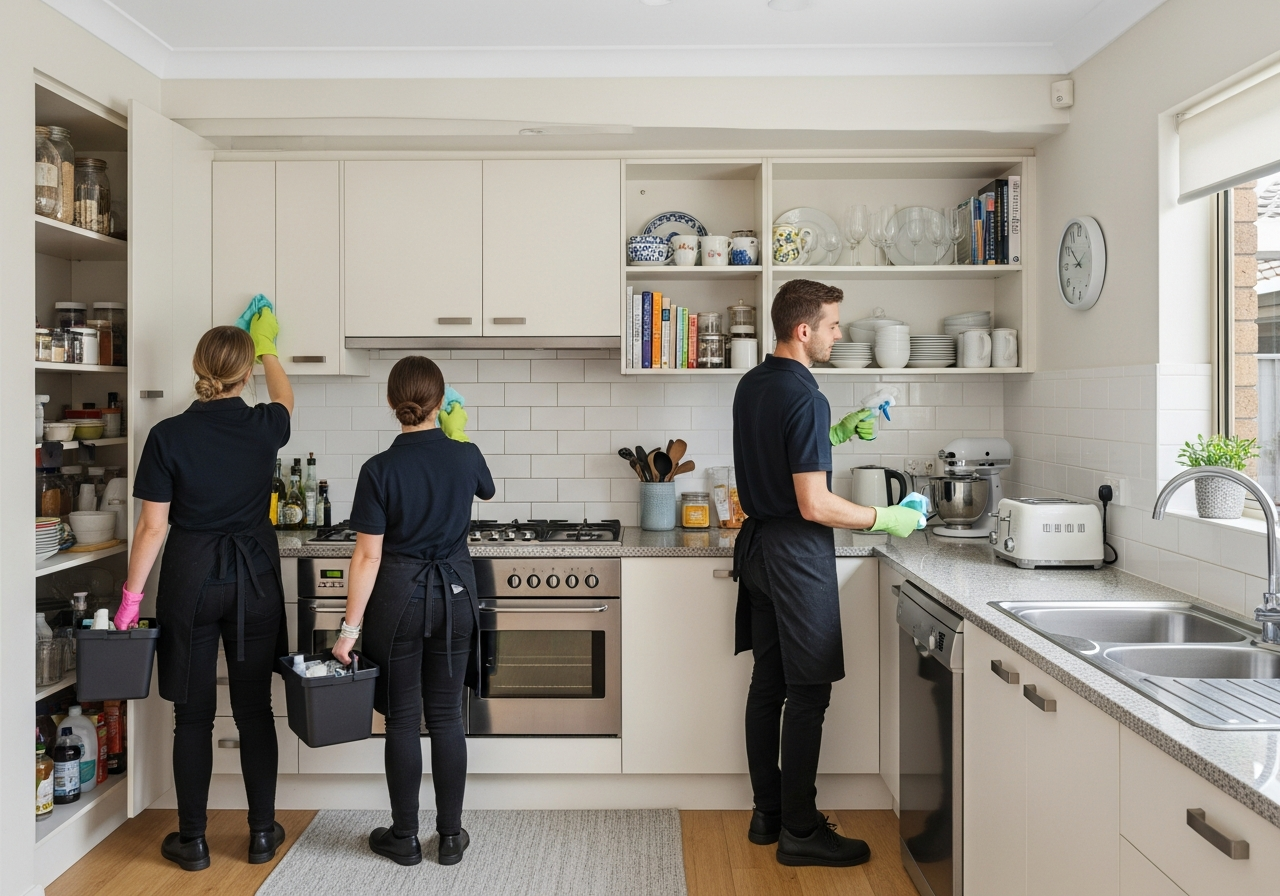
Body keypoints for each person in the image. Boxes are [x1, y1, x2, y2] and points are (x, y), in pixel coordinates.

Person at [731, 279, 922, 867]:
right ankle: (802, 831)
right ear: (804, 329)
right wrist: (885, 517)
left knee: (768, 685)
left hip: (760, 552)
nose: (841, 335)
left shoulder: (754, 384)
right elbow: (814, 504)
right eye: (835, 325)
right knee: (807, 693)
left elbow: (779, 454)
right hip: (794, 555)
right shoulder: (805, 395)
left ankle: (768, 814)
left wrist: (838, 432)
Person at [116, 309, 294, 872]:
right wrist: (267, 346)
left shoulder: (168, 435)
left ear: (199, 370)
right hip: (255, 578)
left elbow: (152, 527)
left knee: (191, 715)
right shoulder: (266, 423)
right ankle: (262, 834)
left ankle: (191, 841)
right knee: (255, 711)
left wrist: (130, 599)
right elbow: (287, 398)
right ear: (246, 376)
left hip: (191, 576)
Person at [332, 356, 494, 867]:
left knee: (402, 721)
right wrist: (458, 435)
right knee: (447, 717)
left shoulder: (378, 469)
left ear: (391, 403)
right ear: (441, 403)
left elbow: (368, 556)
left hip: (398, 601)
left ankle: (404, 838)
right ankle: (449, 838)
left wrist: (347, 631)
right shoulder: (465, 456)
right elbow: (486, 488)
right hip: (455, 598)